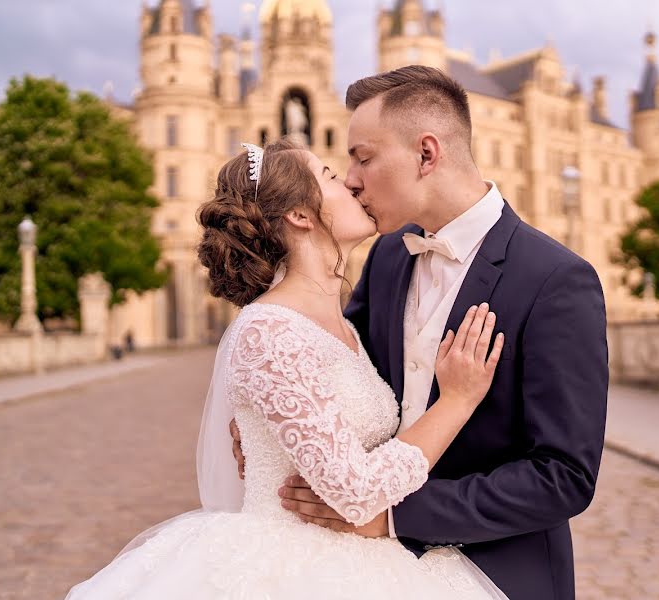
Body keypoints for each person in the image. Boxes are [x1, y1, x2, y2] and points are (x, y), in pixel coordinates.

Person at [64, 138, 509, 599]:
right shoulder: (267, 333)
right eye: (332, 177)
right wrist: (456, 400)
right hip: (291, 567)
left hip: (365, 558)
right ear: (300, 214)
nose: (353, 182)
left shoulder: (345, 326)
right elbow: (354, 492)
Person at [236, 65, 609, 600]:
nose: (352, 179)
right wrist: (266, 413)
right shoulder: (388, 254)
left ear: (426, 154)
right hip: (361, 572)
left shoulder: (556, 280)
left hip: (497, 574)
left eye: (364, 156)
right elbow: (332, 363)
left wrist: (391, 516)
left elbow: (564, 475)